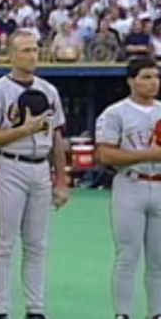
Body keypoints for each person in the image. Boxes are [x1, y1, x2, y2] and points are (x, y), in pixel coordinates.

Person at [0, 30, 71, 319]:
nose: (32, 55)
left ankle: (35, 309)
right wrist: (24, 130)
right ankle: (1, 310)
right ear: (11, 55)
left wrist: (62, 179)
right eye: (26, 50)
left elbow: (56, 136)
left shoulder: (49, 90)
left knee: (37, 243)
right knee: (5, 242)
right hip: (10, 165)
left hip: (40, 166)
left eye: (35, 50)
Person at [95, 57, 161, 319]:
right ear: (131, 80)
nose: (152, 82)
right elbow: (106, 156)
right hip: (130, 183)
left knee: (158, 259)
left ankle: (156, 312)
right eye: (145, 77)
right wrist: (150, 154)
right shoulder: (115, 113)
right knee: (127, 255)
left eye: (155, 76)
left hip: (159, 185)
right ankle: (123, 313)